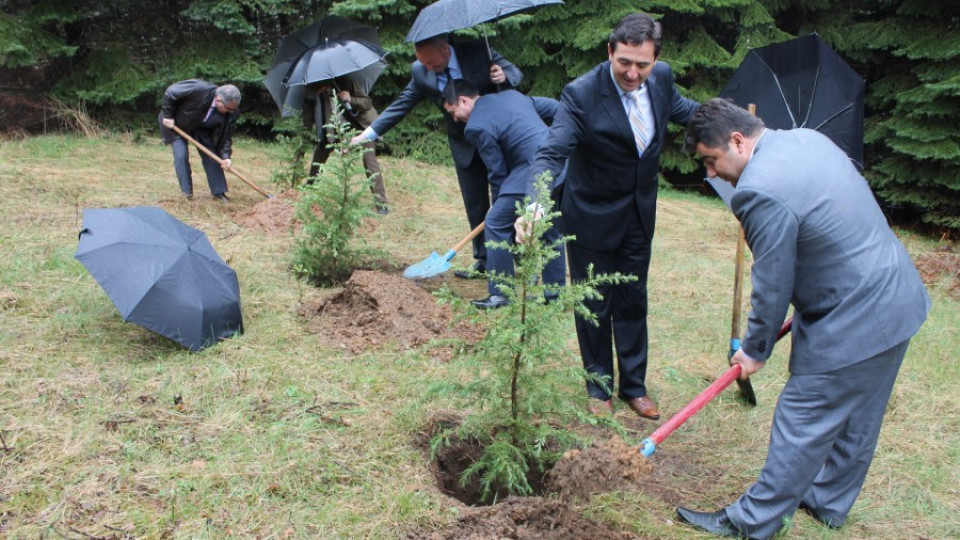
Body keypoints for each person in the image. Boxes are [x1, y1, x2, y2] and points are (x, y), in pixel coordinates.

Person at [674, 98, 930, 540]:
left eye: (711, 161)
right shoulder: (807, 138)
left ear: (738, 140)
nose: (710, 174)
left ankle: (751, 523)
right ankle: (828, 501)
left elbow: (772, 278)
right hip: (897, 294)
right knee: (859, 413)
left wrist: (755, 350)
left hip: (856, 314)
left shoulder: (758, 190)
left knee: (803, 415)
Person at [517, 13, 699, 419]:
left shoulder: (662, 79)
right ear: (610, 51)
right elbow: (551, 153)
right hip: (591, 215)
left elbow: (687, 110)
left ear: (655, 61)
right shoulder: (581, 94)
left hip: (639, 213)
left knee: (633, 299)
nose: (633, 74)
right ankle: (599, 390)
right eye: (625, 63)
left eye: (642, 65)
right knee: (594, 302)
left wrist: (735, 124)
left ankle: (635, 386)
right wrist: (536, 204)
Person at [351, 34, 522, 278]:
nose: (429, 69)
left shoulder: (477, 50)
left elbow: (515, 73)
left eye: (432, 63)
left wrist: (504, 76)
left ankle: (520, 257)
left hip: (498, 138)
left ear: (445, 49)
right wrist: (367, 134)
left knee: (507, 200)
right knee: (475, 204)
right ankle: (484, 262)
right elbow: (402, 104)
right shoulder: (421, 72)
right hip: (464, 144)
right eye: (424, 64)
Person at [441, 79, 566, 308]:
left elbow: (497, 173)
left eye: (453, 112)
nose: (454, 118)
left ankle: (500, 294)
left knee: (496, 222)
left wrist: (498, 209)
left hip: (532, 168)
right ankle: (554, 295)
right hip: (558, 162)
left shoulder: (476, 126)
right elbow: (556, 108)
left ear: (463, 100)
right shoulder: (513, 96)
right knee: (549, 228)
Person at [303, 77, 389, 214]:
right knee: (320, 151)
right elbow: (307, 120)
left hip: (360, 127)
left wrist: (351, 99)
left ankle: (381, 204)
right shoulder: (312, 93)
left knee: (369, 159)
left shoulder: (345, 81)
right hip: (335, 129)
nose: (319, 92)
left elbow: (367, 103)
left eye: (320, 88)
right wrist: (302, 143)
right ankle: (308, 190)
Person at [159, 80, 240, 201]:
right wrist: (168, 115)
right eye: (227, 109)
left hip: (201, 128)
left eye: (232, 110)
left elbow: (226, 135)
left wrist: (225, 156)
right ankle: (186, 194)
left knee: (212, 155)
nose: (230, 112)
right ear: (218, 100)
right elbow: (171, 92)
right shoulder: (199, 89)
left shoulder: (231, 111)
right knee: (181, 156)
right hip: (176, 124)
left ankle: (219, 192)